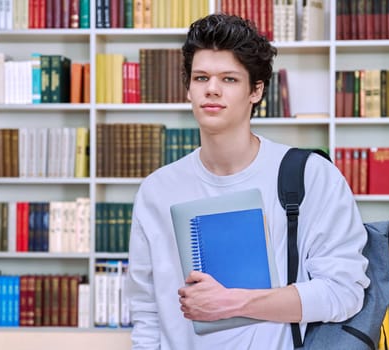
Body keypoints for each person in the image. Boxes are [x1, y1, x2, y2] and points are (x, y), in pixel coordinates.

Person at [126, 13, 370, 350]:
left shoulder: (311, 175)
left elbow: (344, 291)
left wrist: (234, 303)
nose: (211, 89)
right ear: (188, 88)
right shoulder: (157, 190)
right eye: (201, 77)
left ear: (256, 90)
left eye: (229, 79)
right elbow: (146, 308)